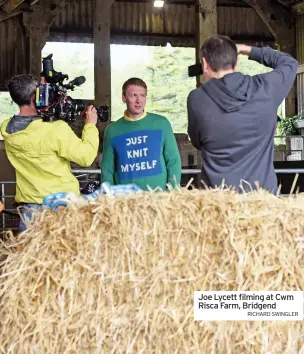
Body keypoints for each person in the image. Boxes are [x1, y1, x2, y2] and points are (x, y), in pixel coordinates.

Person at [187, 35, 299, 194]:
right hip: (261, 200)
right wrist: (248, 50)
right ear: (236, 62)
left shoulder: (197, 99)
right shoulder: (265, 89)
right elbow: (290, 63)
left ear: (205, 64)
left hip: (217, 202)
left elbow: (197, 142)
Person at [0, 74, 99, 232]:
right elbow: (86, 157)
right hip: (61, 207)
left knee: (32, 256)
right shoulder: (55, 130)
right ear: (35, 96)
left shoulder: (6, 128)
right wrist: (90, 126)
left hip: (29, 210)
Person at [101, 77, 181, 191]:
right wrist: (110, 197)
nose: (139, 101)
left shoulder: (161, 123)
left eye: (142, 95)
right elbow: (107, 170)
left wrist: (172, 192)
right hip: (125, 201)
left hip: (160, 199)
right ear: (124, 98)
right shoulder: (112, 130)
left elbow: (173, 161)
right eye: (134, 95)